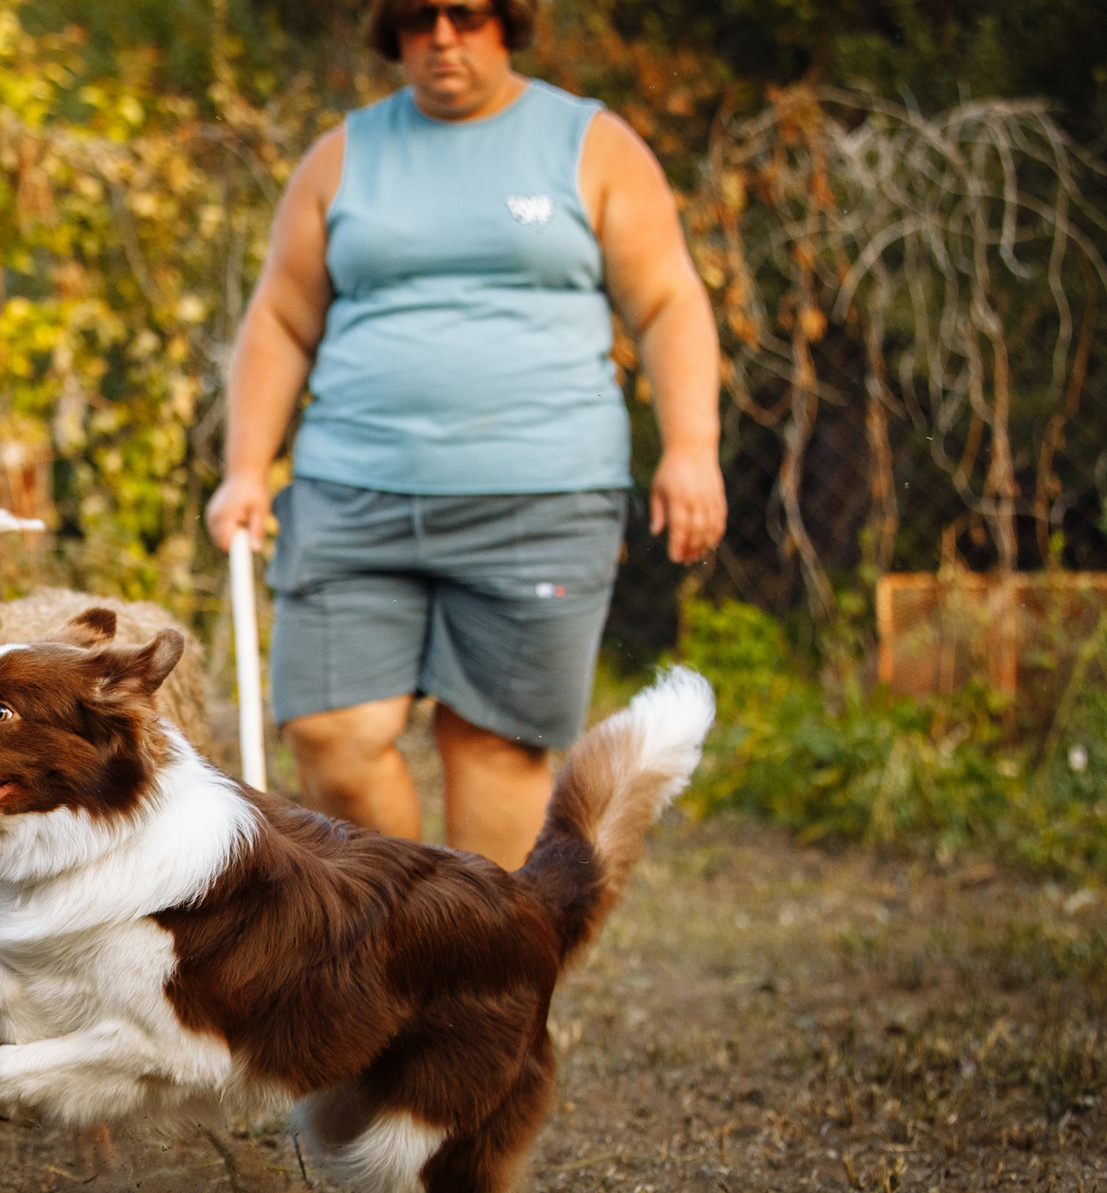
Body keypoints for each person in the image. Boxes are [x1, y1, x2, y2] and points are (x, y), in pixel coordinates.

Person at [205, 0, 726, 869]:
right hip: (353, 490)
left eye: (467, 14)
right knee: (332, 733)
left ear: (508, 22)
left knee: (495, 746)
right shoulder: (342, 158)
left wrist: (692, 448)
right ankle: (401, 943)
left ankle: (469, 979)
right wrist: (245, 469)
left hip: (541, 496)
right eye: (418, 19)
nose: (443, 36)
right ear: (391, 33)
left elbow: (669, 301)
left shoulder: (589, 146)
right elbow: (281, 319)